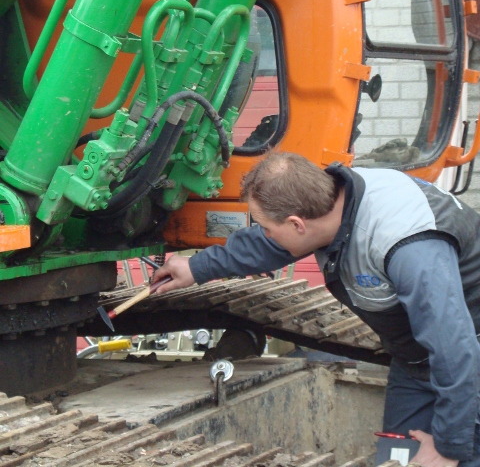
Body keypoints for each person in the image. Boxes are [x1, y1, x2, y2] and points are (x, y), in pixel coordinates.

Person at [152, 151, 480, 467]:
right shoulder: (331, 204)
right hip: (416, 360)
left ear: (297, 224)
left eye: (267, 226)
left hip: (467, 362)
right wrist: (196, 268)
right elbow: (266, 245)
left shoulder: (407, 246)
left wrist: (448, 445)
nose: (265, 234)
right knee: (398, 456)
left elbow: (455, 346)